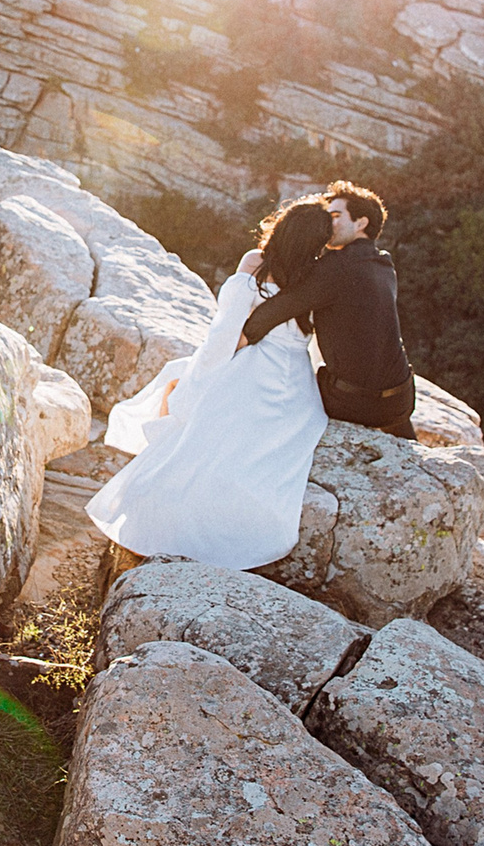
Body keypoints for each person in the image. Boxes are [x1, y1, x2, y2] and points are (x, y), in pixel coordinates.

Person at [85, 199, 333, 570]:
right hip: (297, 382)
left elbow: (225, 332)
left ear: (283, 227)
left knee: (180, 389)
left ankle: (155, 516)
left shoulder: (257, 262)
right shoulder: (320, 275)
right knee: (181, 383)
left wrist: (204, 374)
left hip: (253, 361)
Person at [235, 180, 417, 438]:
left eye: (335, 216)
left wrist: (231, 350)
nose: (328, 224)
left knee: (291, 384)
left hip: (352, 404)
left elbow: (271, 314)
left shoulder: (334, 268)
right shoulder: (384, 264)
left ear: (361, 223)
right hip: (402, 401)